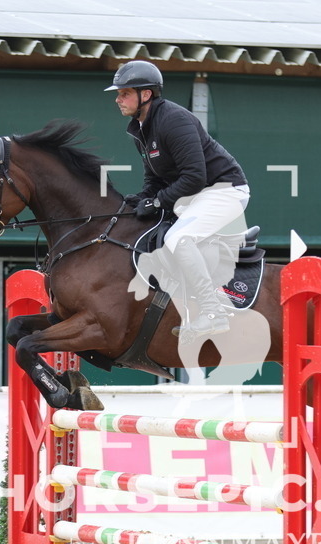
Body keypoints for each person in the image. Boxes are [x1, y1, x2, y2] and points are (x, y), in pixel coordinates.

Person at [106, 60, 250, 339]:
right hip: (195, 195)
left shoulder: (174, 119)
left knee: (178, 239)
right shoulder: (141, 129)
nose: (118, 99)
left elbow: (195, 177)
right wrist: (138, 201)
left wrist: (159, 202)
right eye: (119, 93)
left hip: (224, 191)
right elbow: (154, 180)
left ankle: (212, 312)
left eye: (124, 93)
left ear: (145, 95)